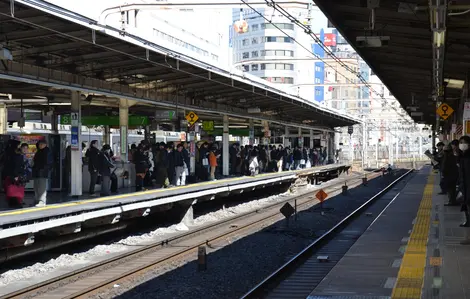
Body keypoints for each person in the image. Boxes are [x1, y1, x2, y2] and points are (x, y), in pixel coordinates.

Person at [3, 140, 26, 208]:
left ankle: (11, 202)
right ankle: (15, 202)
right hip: (14, 174)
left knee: (9, 188)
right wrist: (16, 175)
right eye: (18, 145)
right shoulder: (16, 154)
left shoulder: (7, 152)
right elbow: (16, 166)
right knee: (15, 187)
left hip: (8, 174)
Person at [32, 139, 52, 207]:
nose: (40, 145)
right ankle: (37, 200)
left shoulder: (47, 152)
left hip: (42, 173)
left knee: (42, 188)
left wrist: (42, 169)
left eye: (41, 144)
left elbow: (48, 163)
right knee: (37, 187)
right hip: (37, 172)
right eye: (39, 144)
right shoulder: (39, 151)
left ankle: (42, 201)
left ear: (45, 145)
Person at [458, 136, 470, 233]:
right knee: (466, 205)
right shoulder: (462, 156)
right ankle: (468, 221)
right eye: (461, 142)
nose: (462, 144)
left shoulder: (467, 157)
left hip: (468, 186)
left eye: (464, 142)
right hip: (464, 186)